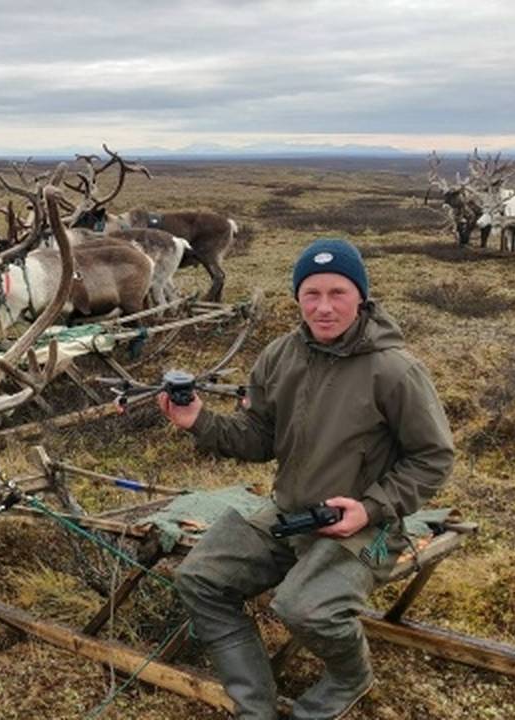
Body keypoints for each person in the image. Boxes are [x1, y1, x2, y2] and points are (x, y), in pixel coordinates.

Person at [159, 238, 454, 719]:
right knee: (200, 578)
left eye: (337, 292)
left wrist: (371, 507)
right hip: (290, 511)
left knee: (303, 608)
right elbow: (258, 439)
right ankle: (255, 707)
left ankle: (350, 677)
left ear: (360, 296)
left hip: (369, 528)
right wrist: (199, 421)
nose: (323, 307)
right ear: (297, 297)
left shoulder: (395, 370)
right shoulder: (279, 356)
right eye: (311, 293)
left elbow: (434, 457)